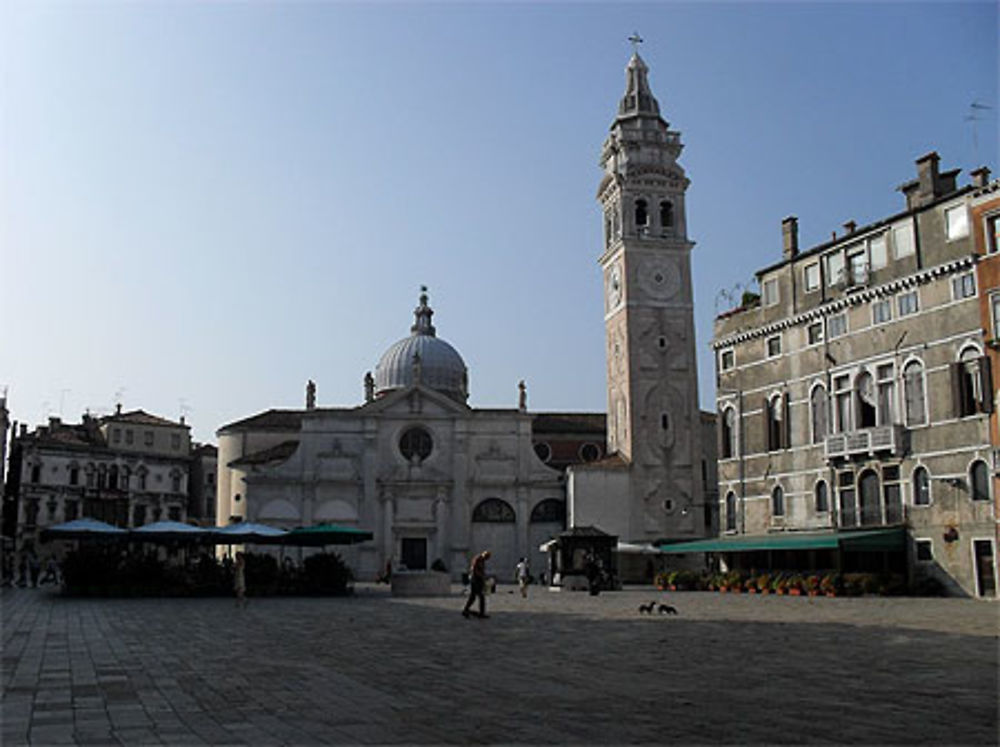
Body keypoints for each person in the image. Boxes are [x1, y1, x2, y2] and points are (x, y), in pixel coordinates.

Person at [462, 550, 491, 619]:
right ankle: (481, 613)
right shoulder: (478, 559)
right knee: (481, 596)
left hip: (476, 579)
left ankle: (466, 610)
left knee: (473, 596)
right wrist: (482, 577)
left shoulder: (481, 560)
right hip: (476, 580)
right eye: (486, 557)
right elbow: (475, 570)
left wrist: (484, 576)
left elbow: (480, 570)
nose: (486, 559)